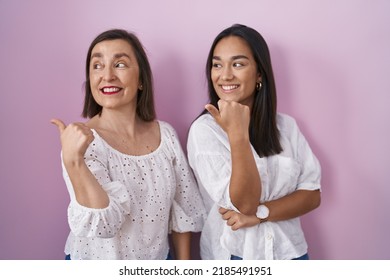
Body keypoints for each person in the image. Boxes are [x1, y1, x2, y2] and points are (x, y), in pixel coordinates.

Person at [51, 29, 205, 260]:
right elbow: (104, 225)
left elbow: (182, 212)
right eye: (97, 66)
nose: (107, 75)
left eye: (120, 64)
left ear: (141, 79)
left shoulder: (166, 135)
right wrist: (73, 161)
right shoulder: (82, 142)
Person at [187, 24, 321, 260]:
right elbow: (244, 205)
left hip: (290, 253)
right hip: (237, 255)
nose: (225, 75)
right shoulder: (204, 131)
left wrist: (261, 214)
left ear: (259, 73)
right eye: (217, 64)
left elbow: (311, 195)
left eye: (238, 64)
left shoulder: (286, 126)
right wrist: (237, 134)